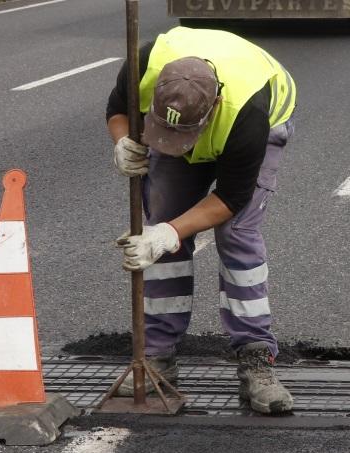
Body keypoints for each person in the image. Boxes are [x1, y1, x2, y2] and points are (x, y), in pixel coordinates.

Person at [106, 26, 297, 414]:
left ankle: (255, 358)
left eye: (186, 132)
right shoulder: (144, 63)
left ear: (215, 106)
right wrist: (123, 141)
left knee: (237, 234)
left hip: (263, 123)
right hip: (200, 111)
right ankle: (156, 356)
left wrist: (167, 234)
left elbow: (230, 198)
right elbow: (118, 110)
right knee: (161, 223)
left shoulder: (248, 114)